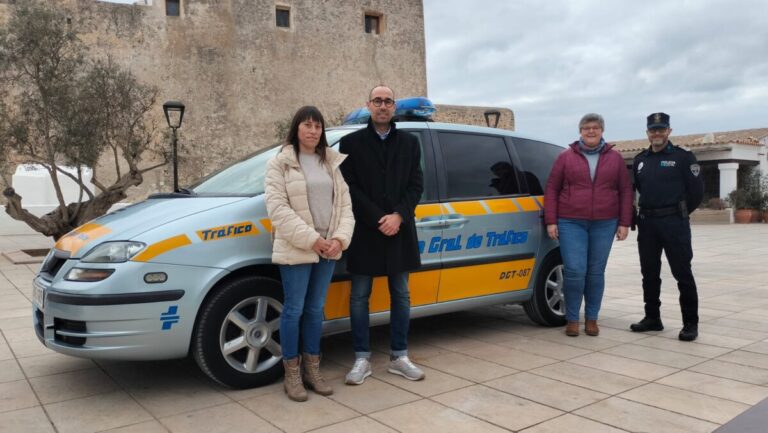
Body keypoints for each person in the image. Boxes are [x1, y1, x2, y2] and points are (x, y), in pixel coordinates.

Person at [264, 106, 355, 401]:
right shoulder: (280, 164)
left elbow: (345, 207)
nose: (313, 130)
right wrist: (313, 240)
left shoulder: (330, 162)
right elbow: (278, 210)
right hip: (297, 248)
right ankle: (292, 373)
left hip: (329, 248)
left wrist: (339, 239)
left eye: (317, 126)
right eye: (307, 125)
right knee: (294, 310)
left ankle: (313, 369)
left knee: (316, 310)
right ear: (296, 128)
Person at [339, 85, 425, 384]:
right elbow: (349, 188)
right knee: (359, 295)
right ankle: (361, 358)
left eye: (388, 101)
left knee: (401, 294)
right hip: (366, 230)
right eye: (378, 101)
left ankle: (399, 356)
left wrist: (399, 215)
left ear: (394, 107)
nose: (383, 106)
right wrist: (379, 217)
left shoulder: (411, 143)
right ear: (368, 105)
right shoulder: (350, 144)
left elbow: (416, 185)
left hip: (400, 230)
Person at [544, 113, 633, 337]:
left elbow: (625, 190)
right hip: (570, 221)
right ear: (580, 131)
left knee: (595, 272)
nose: (590, 131)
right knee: (574, 271)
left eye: (595, 127)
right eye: (586, 128)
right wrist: (551, 220)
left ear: (602, 130)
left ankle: (592, 319)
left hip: (605, 222)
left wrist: (624, 222)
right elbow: (552, 189)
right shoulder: (566, 157)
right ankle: (572, 318)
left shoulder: (615, 158)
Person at [630, 112, 704, 341]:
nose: (657, 133)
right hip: (648, 224)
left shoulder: (683, 157)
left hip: (674, 223)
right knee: (649, 273)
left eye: (661, 129)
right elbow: (636, 189)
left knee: (682, 273)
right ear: (647, 133)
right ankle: (653, 317)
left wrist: (679, 213)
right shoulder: (641, 160)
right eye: (653, 130)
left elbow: (697, 192)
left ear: (669, 131)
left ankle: (690, 323)